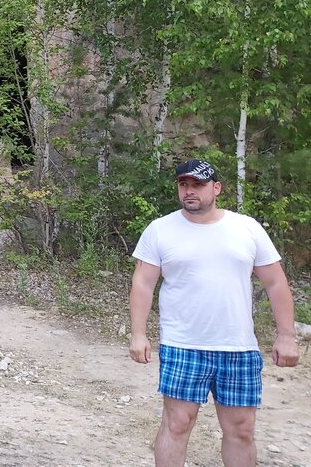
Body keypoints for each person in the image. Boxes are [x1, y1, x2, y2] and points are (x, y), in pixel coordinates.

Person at [129, 158, 301, 467]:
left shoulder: (246, 228)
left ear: (216, 188)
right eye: (184, 185)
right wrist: (138, 334)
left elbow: (275, 282)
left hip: (237, 346)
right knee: (177, 422)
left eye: (198, 185)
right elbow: (143, 282)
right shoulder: (160, 230)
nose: (189, 191)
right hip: (183, 344)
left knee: (241, 429)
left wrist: (287, 336)